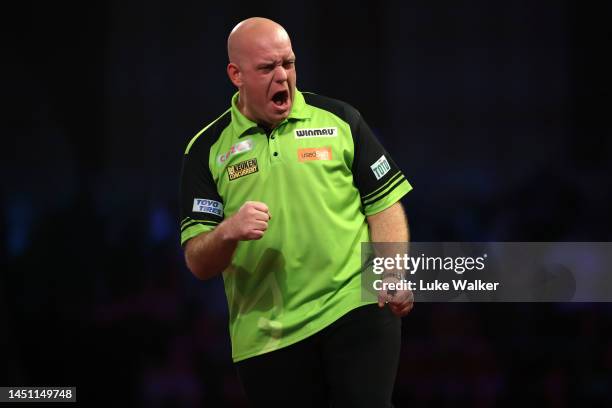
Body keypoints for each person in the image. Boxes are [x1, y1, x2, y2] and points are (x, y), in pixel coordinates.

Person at [179, 17, 414, 407]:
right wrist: (227, 232)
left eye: (288, 64)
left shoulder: (340, 120)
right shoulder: (206, 150)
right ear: (236, 74)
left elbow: (383, 203)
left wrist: (391, 272)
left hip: (354, 303)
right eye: (267, 68)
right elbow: (199, 262)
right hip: (267, 333)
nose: (283, 77)